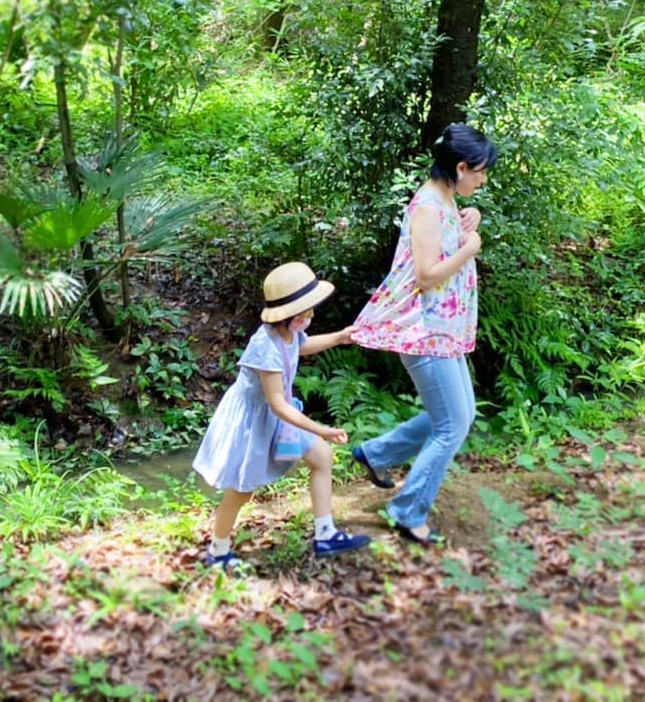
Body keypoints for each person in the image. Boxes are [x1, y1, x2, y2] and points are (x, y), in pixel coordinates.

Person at [347, 123, 496, 546]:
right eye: (480, 172)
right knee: (453, 425)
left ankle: (376, 454)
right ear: (461, 166)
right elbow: (428, 275)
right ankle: (407, 509)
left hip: (443, 331)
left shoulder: (446, 198)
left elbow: (453, 229)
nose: (483, 180)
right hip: (424, 333)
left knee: (456, 415)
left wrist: (473, 219)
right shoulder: (428, 206)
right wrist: (470, 248)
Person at [192, 261, 372, 571]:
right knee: (242, 491)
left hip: (277, 413)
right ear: (288, 315)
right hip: (253, 421)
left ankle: (325, 533)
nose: (311, 316)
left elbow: (302, 347)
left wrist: (339, 337)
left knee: (321, 456)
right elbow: (278, 405)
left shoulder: (291, 333)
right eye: (306, 311)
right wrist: (322, 428)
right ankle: (218, 551)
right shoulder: (264, 346)